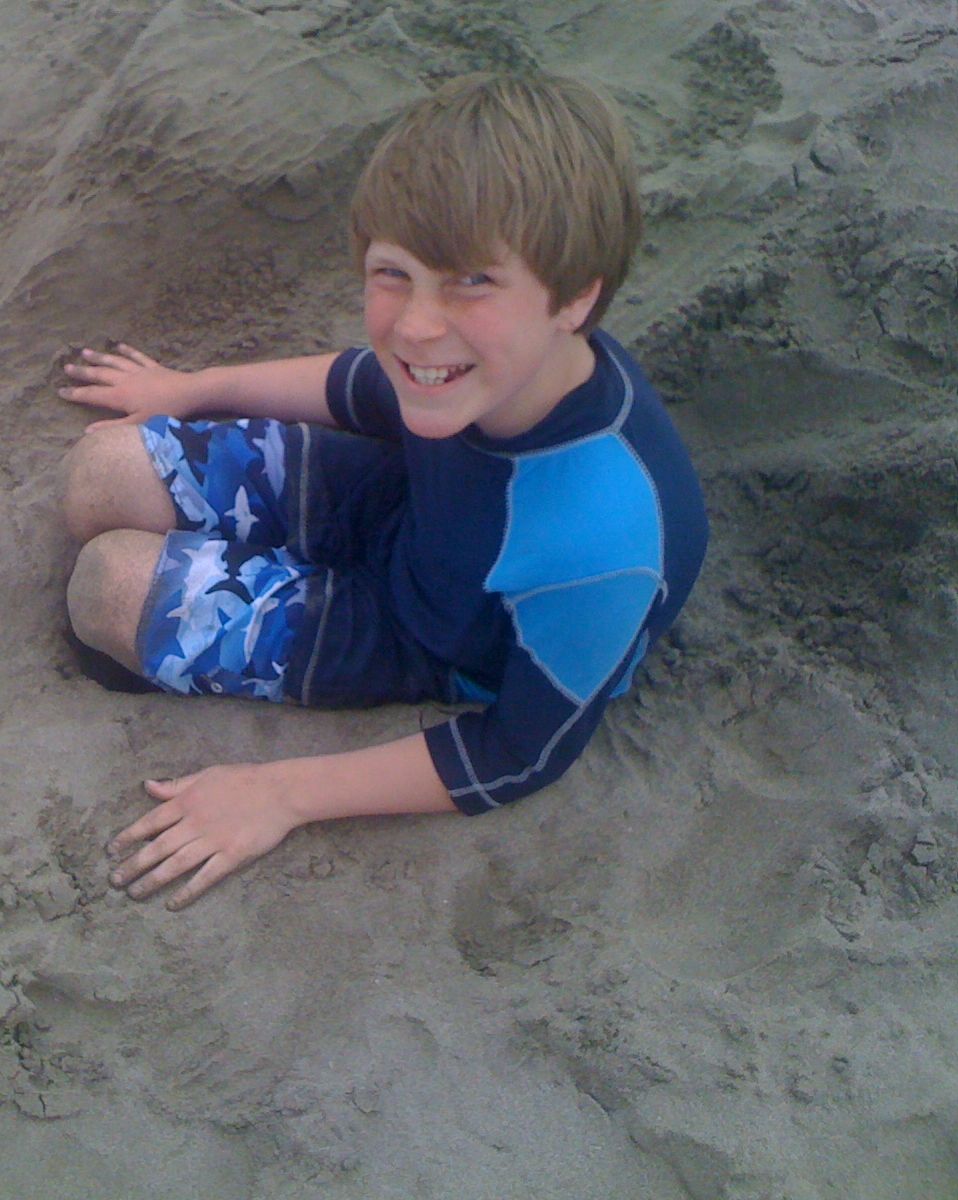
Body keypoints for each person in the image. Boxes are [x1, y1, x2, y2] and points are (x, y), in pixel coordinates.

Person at [57, 71, 708, 910]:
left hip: (435, 640)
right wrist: (193, 387)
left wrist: (279, 794)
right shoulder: (467, 370)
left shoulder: (604, 543)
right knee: (99, 472)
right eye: (394, 273)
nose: (416, 326)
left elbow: (521, 753)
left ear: (575, 299)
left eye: (473, 281)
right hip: (398, 512)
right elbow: (361, 386)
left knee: (107, 587)